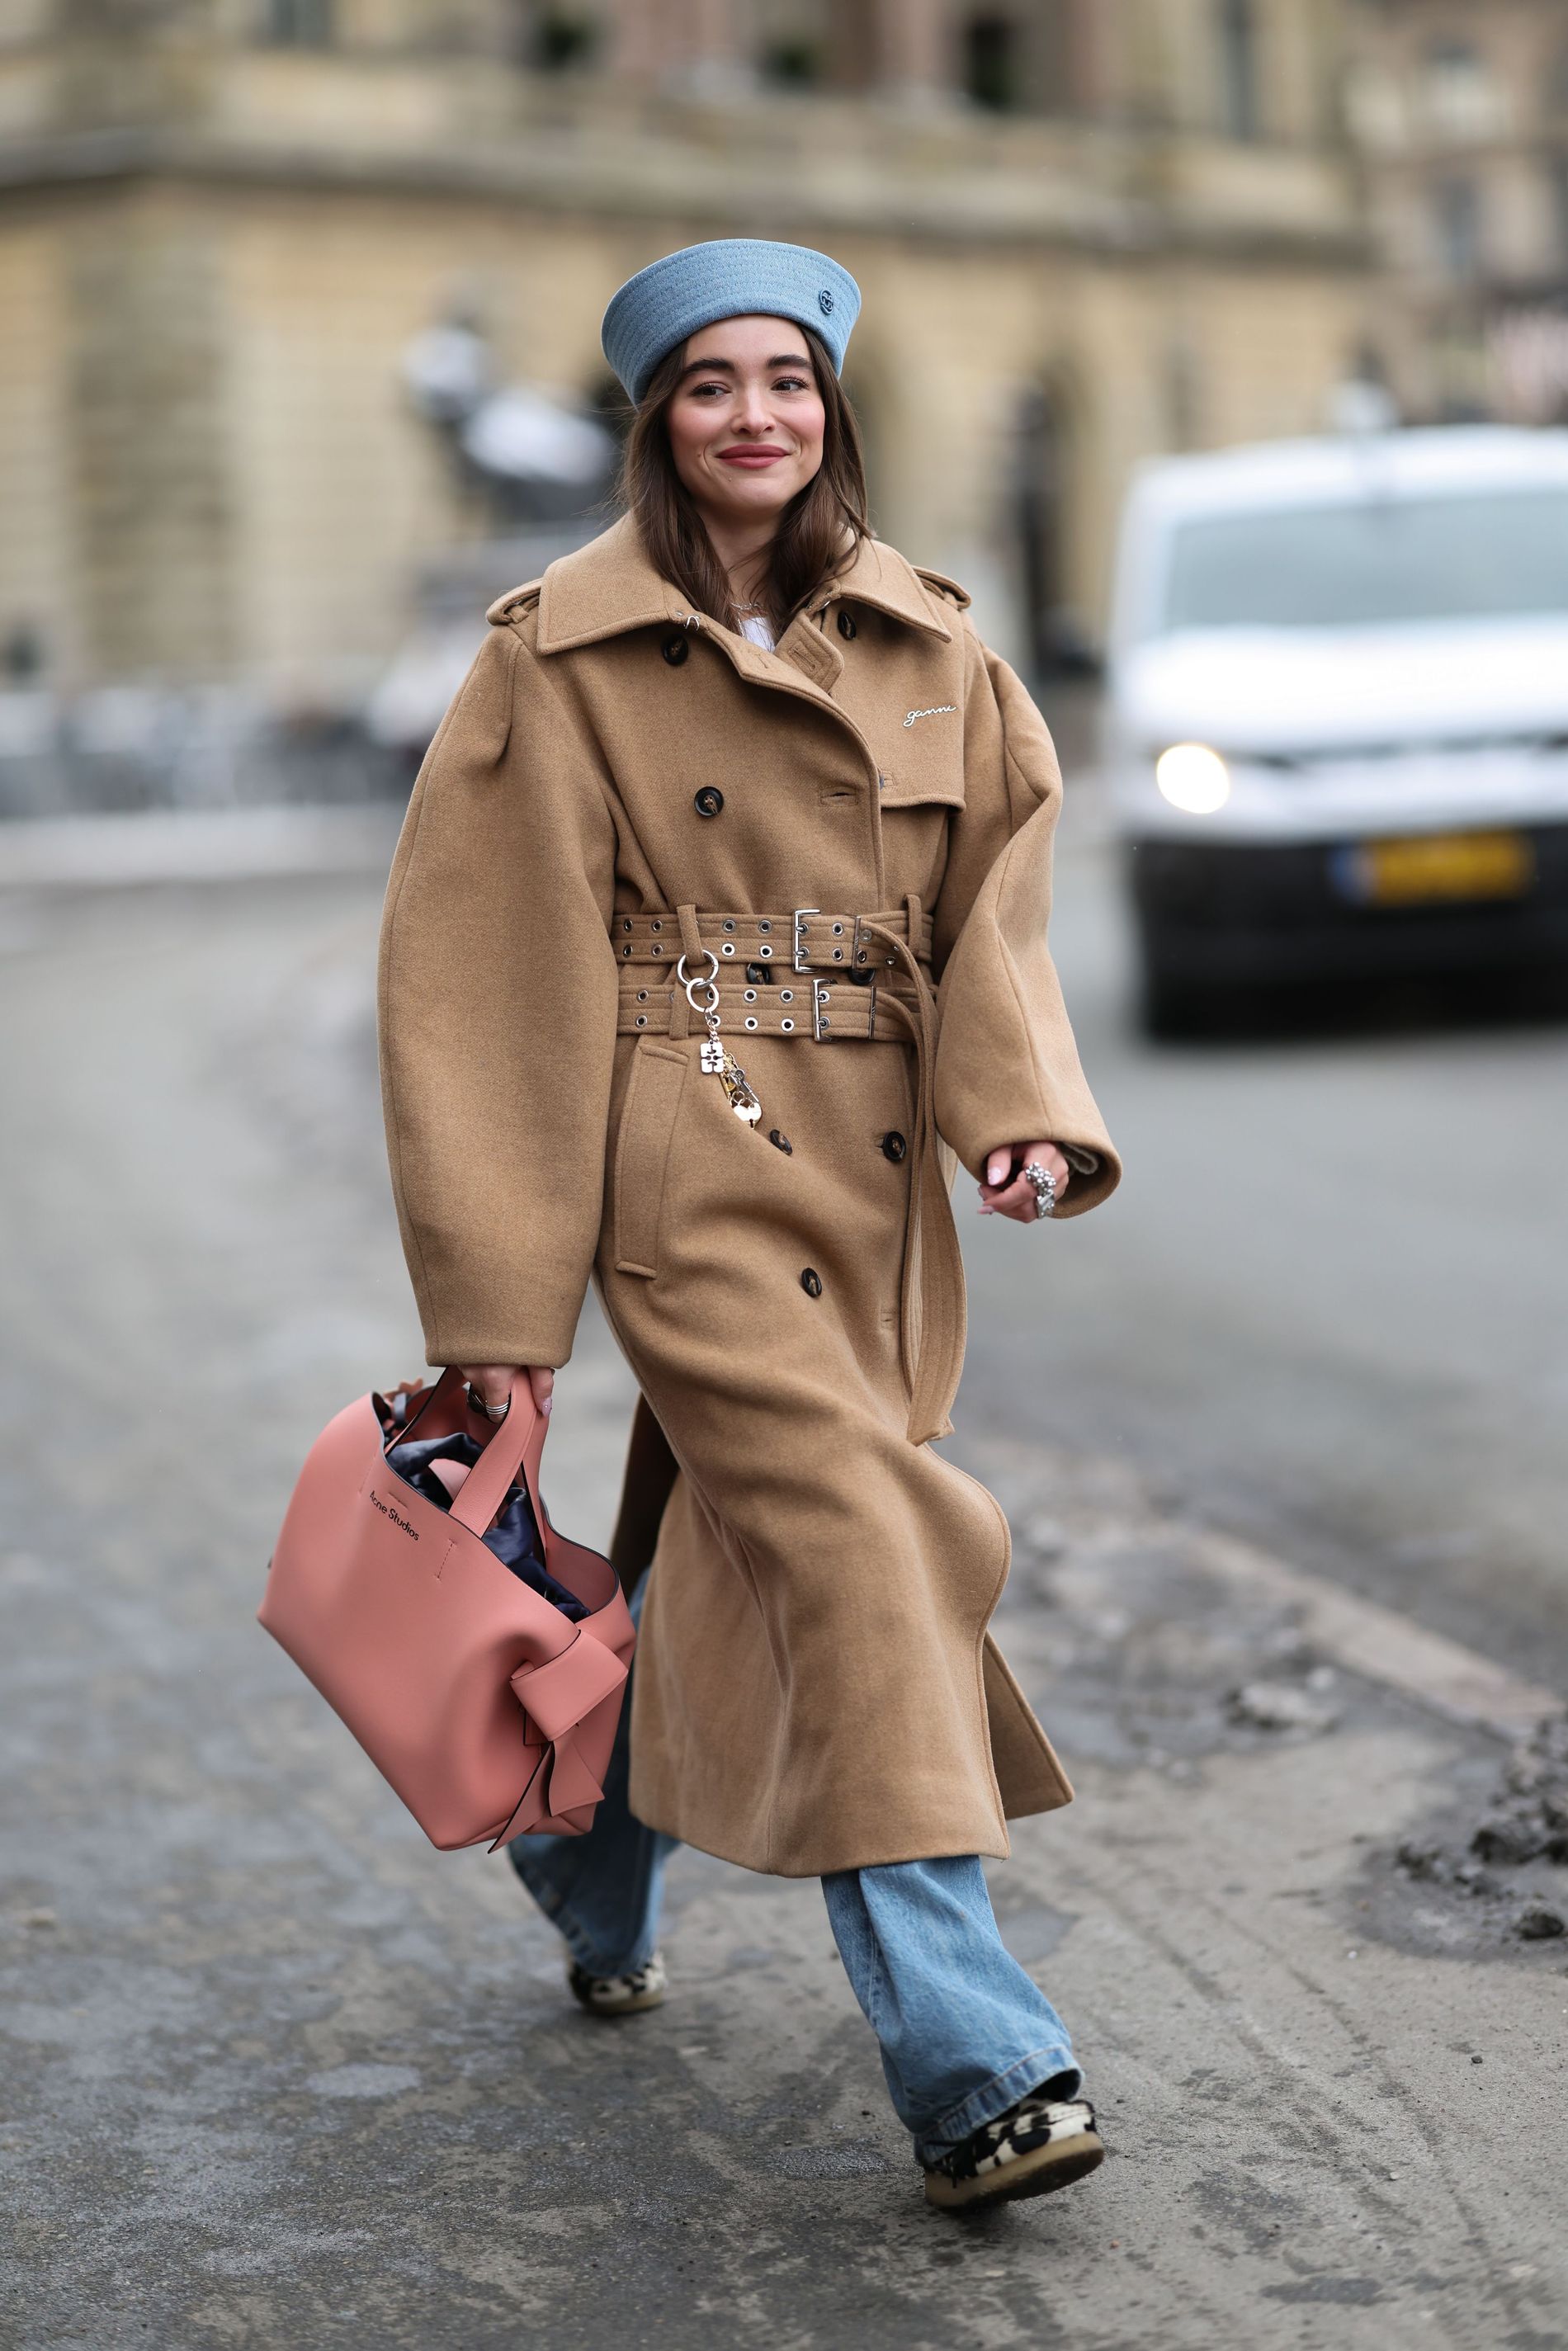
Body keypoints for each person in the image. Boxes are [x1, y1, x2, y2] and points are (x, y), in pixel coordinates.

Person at [376, 238, 1121, 2214]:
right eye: (709, 385)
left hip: (872, 1182)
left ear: (830, 409)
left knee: (731, 1534)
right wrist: (500, 1304)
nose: (753, 417)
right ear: (656, 422)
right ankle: (975, 2064)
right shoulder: (552, 652)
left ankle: (588, 1849)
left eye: (785, 381)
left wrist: (1017, 1115)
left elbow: (999, 905)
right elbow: (485, 983)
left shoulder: (934, 643)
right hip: (683, 1161)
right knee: (867, 1539)